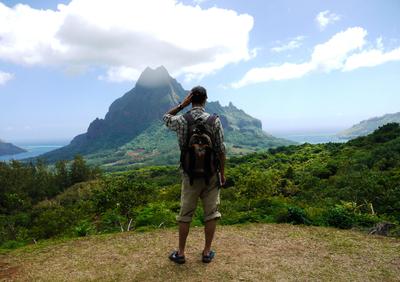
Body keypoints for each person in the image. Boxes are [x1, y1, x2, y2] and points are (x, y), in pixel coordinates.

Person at [163, 86, 226, 264]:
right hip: (211, 175)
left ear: (191, 99)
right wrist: (222, 173)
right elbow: (222, 150)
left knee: (185, 214)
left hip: (189, 175)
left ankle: (181, 253)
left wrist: (182, 105)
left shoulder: (182, 120)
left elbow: (165, 118)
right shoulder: (214, 120)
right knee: (211, 213)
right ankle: (206, 252)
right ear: (206, 99)